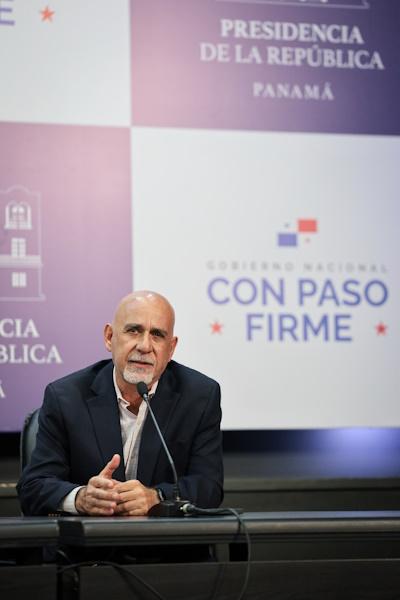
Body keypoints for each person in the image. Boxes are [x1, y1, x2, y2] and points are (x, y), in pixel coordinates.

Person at [17, 291, 223, 516]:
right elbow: (33, 487)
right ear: (109, 337)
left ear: (171, 348)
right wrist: (81, 498)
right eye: (134, 331)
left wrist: (157, 497)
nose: (144, 346)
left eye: (157, 335)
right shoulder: (66, 397)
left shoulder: (199, 397)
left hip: (165, 537)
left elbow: (209, 486)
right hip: (91, 536)